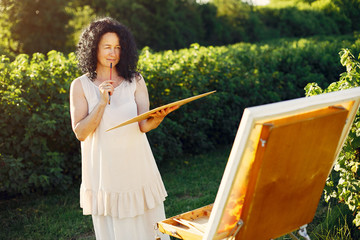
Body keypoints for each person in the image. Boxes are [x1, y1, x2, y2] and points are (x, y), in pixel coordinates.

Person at [69, 17, 177, 240]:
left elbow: (143, 125)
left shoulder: (135, 80)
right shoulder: (80, 85)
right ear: (93, 48)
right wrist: (100, 102)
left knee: (149, 227)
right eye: (107, 47)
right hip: (106, 171)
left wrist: (158, 118)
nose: (113, 53)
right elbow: (81, 133)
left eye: (118, 47)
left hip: (137, 165)